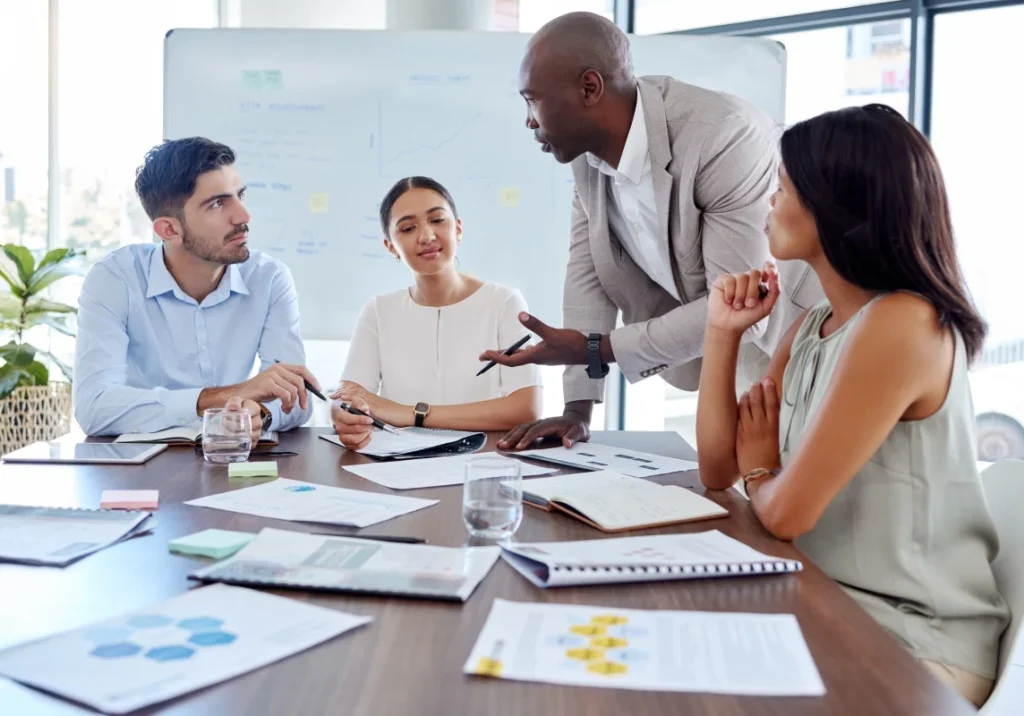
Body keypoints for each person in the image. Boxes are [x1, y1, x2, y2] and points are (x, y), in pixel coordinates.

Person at [695, 104, 1008, 707]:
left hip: (910, 642)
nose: (768, 202)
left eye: (782, 188)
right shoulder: (814, 324)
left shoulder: (902, 323)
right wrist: (721, 333)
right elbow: (716, 470)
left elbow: (784, 514)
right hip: (823, 605)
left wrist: (762, 470)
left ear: (834, 204)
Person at [482, 12, 821, 451]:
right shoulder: (588, 160)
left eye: (533, 101)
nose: (529, 120)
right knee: (744, 491)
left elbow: (741, 302)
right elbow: (588, 277)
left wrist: (597, 349)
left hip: (807, 343)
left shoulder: (722, 137)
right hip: (729, 363)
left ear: (589, 88)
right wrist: (575, 412)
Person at [74, 137, 320, 444]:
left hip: (237, 461)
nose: (243, 216)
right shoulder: (115, 279)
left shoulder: (269, 278)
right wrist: (221, 399)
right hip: (141, 472)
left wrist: (258, 413)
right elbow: (94, 407)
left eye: (239, 195)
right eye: (218, 203)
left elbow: (295, 397)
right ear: (170, 230)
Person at [331, 176, 543, 450]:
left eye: (437, 220)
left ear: (458, 228)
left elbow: (526, 408)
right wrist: (343, 415)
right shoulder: (378, 311)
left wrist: (409, 413)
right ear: (391, 247)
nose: (426, 236)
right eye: (408, 228)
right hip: (397, 466)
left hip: (482, 462)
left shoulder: (504, 302)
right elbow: (346, 396)